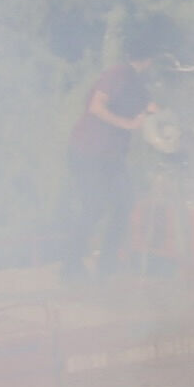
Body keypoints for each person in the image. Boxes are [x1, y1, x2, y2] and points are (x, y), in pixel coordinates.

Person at [63, 55, 153, 271]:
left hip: (112, 157)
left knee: (124, 204)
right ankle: (71, 266)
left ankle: (107, 263)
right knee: (93, 207)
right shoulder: (118, 73)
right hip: (89, 151)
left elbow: (151, 108)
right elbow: (96, 106)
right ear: (149, 58)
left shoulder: (139, 84)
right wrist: (127, 124)